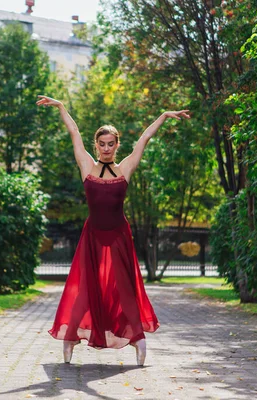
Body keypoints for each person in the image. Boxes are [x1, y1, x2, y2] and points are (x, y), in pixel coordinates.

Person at [36, 95, 190, 366]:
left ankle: (138, 339)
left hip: (119, 236)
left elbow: (144, 139)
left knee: (124, 289)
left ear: (117, 145)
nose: (106, 148)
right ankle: (71, 337)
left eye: (111, 144)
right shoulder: (87, 166)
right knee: (87, 287)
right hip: (93, 236)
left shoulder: (125, 169)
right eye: (102, 144)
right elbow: (74, 132)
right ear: (96, 145)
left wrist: (165, 116)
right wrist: (61, 106)